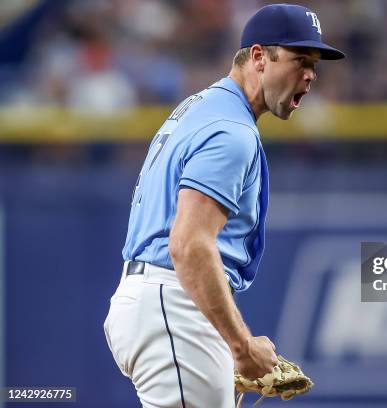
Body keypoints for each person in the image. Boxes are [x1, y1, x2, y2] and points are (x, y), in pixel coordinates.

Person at [103, 4, 344, 408]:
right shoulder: (231, 131)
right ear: (257, 57)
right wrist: (242, 346)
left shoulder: (200, 107)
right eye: (300, 60)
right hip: (173, 305)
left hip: (157, 302)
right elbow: (189, 244)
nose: (309, 75)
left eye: (315, 66)